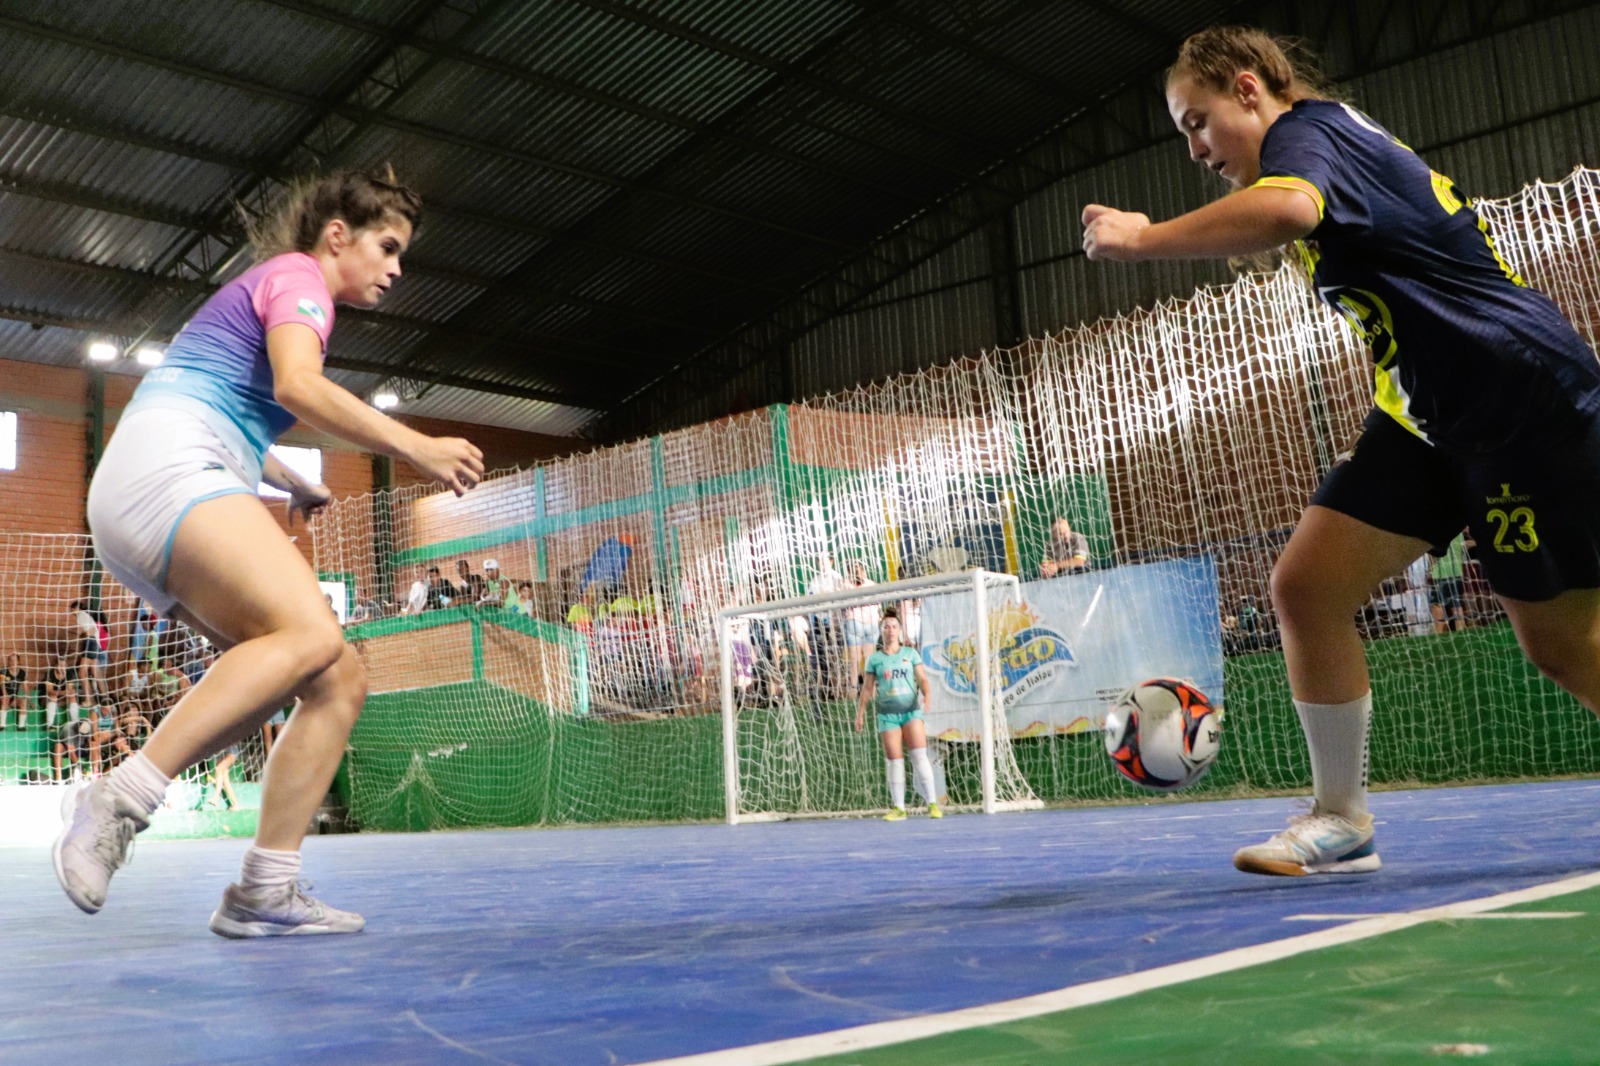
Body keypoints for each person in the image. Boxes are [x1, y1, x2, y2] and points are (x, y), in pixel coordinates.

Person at [1083, 26, 1600, 877]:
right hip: (1427, 412)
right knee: (1306, 587)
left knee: (1561, 645)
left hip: (1519, 402)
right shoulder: (1326, 142)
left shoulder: (1309, 134)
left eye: (1198, 122)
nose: (1196, 149)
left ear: (1248, 88)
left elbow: (1289, 209)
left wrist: (1140, 238)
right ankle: (1341, 818)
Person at [55, 168, 483, 936]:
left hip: (149, 486)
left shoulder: (275, 287)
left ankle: (266, 888)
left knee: (335, 678)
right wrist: (416, 445)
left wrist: (290, 480)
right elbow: (297, 387)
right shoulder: (299, 278)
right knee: (312, 632)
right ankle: (120, 797)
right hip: (167, 473)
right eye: (388, 247)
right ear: (337, 236)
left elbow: (235, 411)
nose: (396, 269)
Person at [855, 611, 943, 821]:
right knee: (894, 761)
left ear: (900, 630)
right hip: (888, 715)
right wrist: (860, 714)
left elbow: (922, 679)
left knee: (919, 756)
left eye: (894, 626)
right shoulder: (875, 659)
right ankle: (899, 808)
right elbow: (867, 688)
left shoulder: (910, 654)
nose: (890, 630)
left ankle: (933, 803)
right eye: (886, 626)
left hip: (911, 712)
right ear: (881, 631)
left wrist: (927, 696)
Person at [1430, 533, 1469, 633]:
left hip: (1440, 574)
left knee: (1438, 609)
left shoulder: (1436, 533)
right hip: (1457, 573)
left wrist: (1429, 571)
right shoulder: (1458, 532)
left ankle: (1438, 635)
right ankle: (1461, 636)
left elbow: (1432, 557)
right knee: (1457, 609)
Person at [2, 653, 25, 730]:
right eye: (11, 660)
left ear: (18, 662)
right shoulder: (3, 671)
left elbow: (25, 686)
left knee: (23, 701)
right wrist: (5, 694)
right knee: (5, 699)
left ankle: (21, 726)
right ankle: (2, 725)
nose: (13, 662)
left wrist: (30, 701)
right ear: (8, 661)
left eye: (15, 660)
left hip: (12, 698)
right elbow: (2, 684)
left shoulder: (22, 673)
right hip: (2, 696)